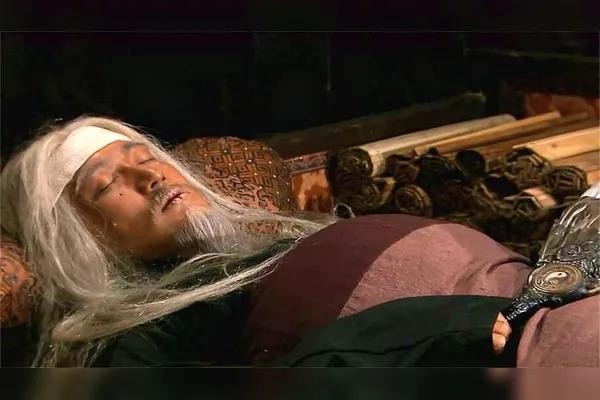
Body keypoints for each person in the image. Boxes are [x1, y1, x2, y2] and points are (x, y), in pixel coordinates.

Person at [1, 116, 527, 367]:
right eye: (106, 185)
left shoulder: (261, 247)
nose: (151, 176)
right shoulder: (140, 344)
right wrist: (420, 332)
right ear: (76, 241)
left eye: (145, 158)